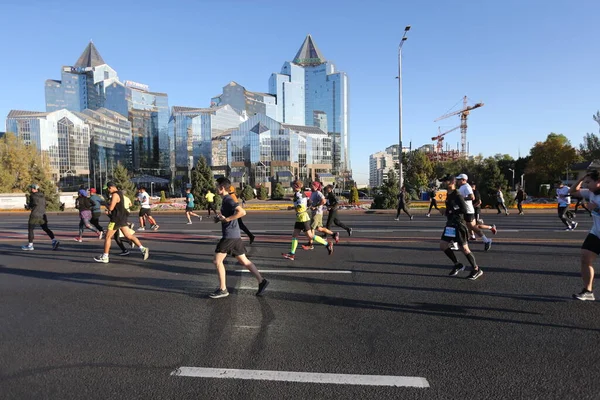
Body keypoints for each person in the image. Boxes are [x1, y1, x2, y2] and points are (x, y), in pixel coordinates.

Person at [209, 177, 268, 299]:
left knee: (217, 261)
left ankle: (223, 289)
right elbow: (230, 215)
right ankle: (262, 281)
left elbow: (242, 212)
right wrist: (220, 218)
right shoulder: (225, 200)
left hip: (229, 236)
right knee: (244, 261)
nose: (215, 188)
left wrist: (227, 219)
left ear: (221, 188)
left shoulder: (228, 200)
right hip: (234, 236)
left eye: (217, 186)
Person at [439, 176, 483, 280]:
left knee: (464, 249)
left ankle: (476, 269)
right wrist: (445, 211)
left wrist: (449, 211)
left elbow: (464, 209)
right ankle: (457, 264)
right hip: (450, 224)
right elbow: (451, 209)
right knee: (443, 245)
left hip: (459, 224)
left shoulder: (457, 195)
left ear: (452, 182)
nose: (444, 183)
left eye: (446, 181)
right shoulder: (448, 195)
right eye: (443, 181)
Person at [94, 182, 149, 263]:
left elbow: (111, 208)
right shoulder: (120, 193)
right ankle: (142, 248)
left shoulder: (115, 195)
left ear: (111, 187)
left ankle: (105, 256)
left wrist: (105, 204)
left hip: (115, 219)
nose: (108, 191)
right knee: (129, 236)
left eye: (108, 189)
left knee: (107, 237)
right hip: (122, 218)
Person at [282, 179, 333, 260]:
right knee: (294, 235)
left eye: (293, 185)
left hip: (303, 218)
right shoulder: (298, 194)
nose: (292, 187)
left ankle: (327, 244)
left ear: (296, 186)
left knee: (310, 236)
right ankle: (292, 254)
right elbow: (310, 202)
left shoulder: (300, 195)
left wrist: (292, 207)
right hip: (299, 218)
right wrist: (308, 206)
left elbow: (301, 206)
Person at [569, 170, 600, 300]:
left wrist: (597, 208)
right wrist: (581, 179)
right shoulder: (590, 193)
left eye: (589, 182)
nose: (586, 185)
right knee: (585, 258)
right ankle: (588, 291)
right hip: (596, 233)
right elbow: (572, 191)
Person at [456, 174, 492, 251]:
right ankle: (485, 240)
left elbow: (472, 197)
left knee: (472, 227)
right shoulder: (462, 187)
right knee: (465, 226)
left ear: (464, 180)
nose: (458, 181)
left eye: (459, 179)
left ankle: (486, 240)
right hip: (464, 210)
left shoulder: (466, 187)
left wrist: (461, 199)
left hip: (468, 210)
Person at [21, 184, 60, 251]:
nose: (30, 189)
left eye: (31, 188)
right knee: (46, 228)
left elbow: (31, 205)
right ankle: (54, 240)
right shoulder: (42, 196)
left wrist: (27, 207)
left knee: (30, 229)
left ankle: (30, 245)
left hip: (34, 215)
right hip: (42, 215)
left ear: (33, 189)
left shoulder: (32, 196)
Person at [302, 181, 336, 249]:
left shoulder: (318, 193)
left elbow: (324, 201)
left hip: (317, 213)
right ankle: (334, 234)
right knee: (319, 228)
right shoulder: (313, 193)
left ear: (316, 187)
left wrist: (316, 206)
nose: (311, 186)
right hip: (316, 213)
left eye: (312, 185)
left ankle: (310, 244)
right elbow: (311, 203)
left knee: (311, 228)